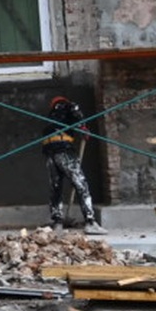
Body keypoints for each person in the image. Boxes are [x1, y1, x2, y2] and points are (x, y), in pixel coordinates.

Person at [41, 95, 107, 235]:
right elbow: (77, 115)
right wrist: (83, 128)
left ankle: (58, 223)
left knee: (56, 188)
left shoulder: (51, 117)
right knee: (81, 184)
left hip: (49, 153)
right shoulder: (69, 106)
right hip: (64, 151)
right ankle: (90, 222)